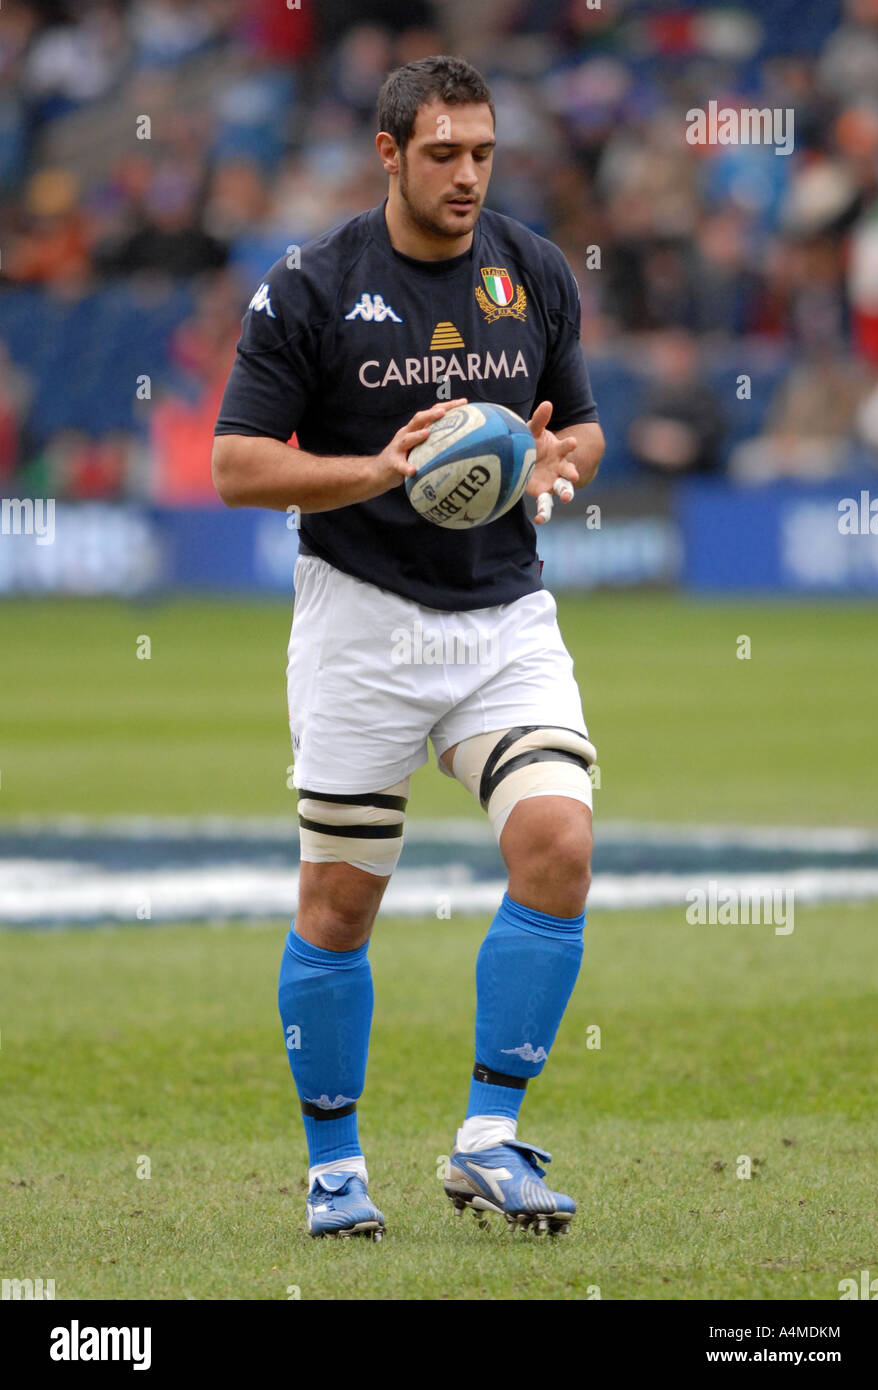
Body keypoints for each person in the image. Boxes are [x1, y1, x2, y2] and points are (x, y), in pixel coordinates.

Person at [212, 55, 605, 1239]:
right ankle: (336, 1170)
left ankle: (490, 1139)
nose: (467, 175)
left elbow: (579, 424)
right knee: (339, 902)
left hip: (504, 618)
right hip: (361, 620)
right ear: (389, 153)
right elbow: (236, 464)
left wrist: (556, 461)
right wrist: (379, 469)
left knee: (559, 843)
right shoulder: (310, 285)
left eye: (482, 152)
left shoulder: (531, 270)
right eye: (443, 153)